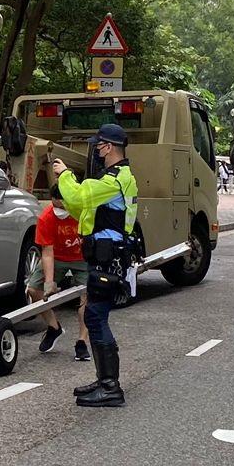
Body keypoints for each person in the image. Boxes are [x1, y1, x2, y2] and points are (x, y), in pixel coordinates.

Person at [49, 122, 137, 409]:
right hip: (104, 257)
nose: (96, 151)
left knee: (96, 317)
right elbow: (83, 208)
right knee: (94, 316)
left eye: (98, 146)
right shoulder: (114, 178)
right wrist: (69, 193)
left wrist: (65, 175)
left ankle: (110, 386)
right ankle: (104, 381)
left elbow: (79, 196)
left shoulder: (114, 180)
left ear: (109, 147)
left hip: (108, 258)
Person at [29, 189, 89, 360]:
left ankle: (82, 341)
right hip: (57, 257)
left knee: (87, 297)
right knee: (34, 290)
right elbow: (47, 252)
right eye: (56, 207)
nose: (59, 212)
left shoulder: (84, 211)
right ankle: (54, 327)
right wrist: (49, 283)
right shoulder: (46, 218)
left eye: (62, 207)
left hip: (83, 257)